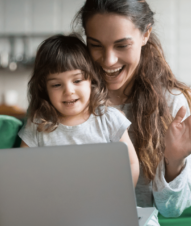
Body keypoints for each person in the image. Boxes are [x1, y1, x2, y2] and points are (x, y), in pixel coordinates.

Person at [72, 0, 191, 223]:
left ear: (145, 34)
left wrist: (174, 160)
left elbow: (172, 209)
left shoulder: (171, 103)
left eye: (122, 45)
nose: (109, 60)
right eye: (96, 46)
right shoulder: (72, 98)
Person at [18, 33, 140, 186]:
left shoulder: (109, 119)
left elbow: (131, 164)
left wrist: (122, 194)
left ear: (91, 80)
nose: (68, 91)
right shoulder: (38, 125)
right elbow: (23, 170)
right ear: (45, 89)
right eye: (56, 85)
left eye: (77, 80)